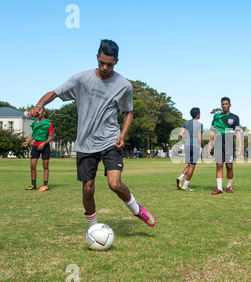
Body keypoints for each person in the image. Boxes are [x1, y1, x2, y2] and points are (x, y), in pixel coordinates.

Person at [27, 39, 155, 228]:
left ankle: (137, 209)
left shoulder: (124, 85)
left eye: (109, 64)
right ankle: (93, 228)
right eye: (101, 62)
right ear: (96, 57)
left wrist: (123, 136)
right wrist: (39, 105)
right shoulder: (81, 79)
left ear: (116, 62)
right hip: (85, 143)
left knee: (115, 184)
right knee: (87, 189)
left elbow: (129, 112)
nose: (104, 67)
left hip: (110, 139)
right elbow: (54, 93)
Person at [208, 97, 242, 194]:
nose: (224, 106)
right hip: (218, 143)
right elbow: (213, 131)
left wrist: (240, 145)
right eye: (223, 104)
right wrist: (210, 143)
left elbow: (238, 132)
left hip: (229, 143)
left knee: (229, 166)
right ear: (221, 105)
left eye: (226, 104)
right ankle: (219, 188)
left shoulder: (235, 117)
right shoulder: (216, 117)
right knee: (219, 165)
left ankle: (229, 187)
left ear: (230, 105)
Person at [22, 109, 55, 191]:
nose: (37, 113)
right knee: (32, 166)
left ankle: (45, 185)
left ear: (43, 112)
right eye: (36, 112)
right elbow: (34, 135)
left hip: (45, 146)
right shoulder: (35, 123)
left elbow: (51, 137)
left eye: (39, 111)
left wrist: (43, 144)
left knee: (45, 166)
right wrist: (27, 142)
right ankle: (33, 185)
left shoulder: (48, 124)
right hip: (35, 146)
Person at [176, 107, 204, 191]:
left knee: (189, 164)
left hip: (187, 145)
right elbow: (199, 138)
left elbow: (180, 135)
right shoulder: (199, 124)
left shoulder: (186, 123)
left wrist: (187, 137)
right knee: (192, 166)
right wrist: (203, 146)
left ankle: (181, 177)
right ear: (198, 114)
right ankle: (185, 185)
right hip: (195, 146)